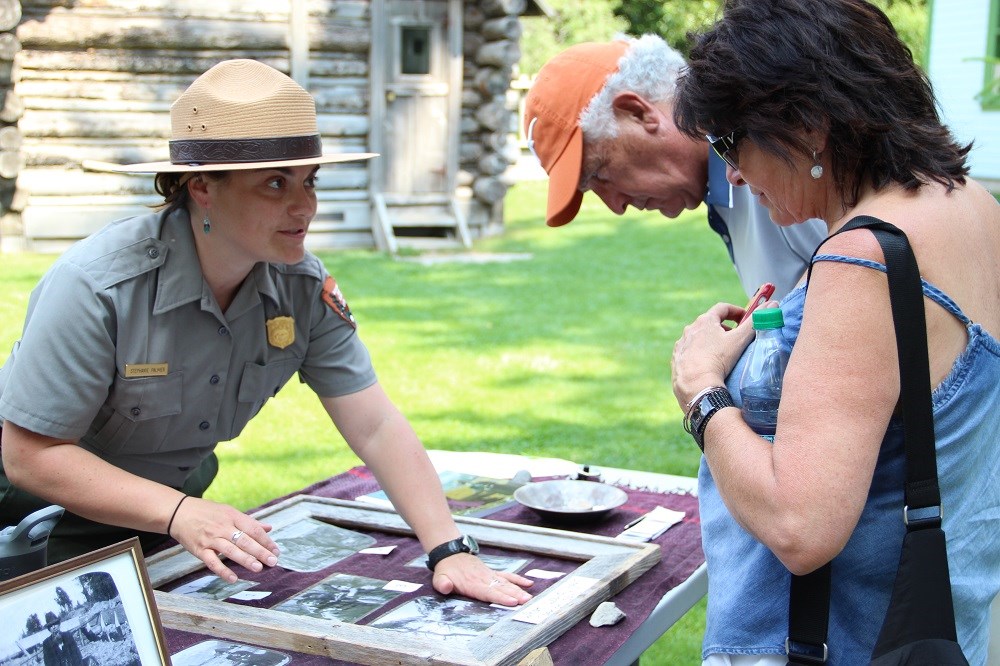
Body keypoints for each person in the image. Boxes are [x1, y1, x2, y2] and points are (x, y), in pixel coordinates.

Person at [0, 59, 531, 607]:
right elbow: (30, 456)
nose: (304, 207)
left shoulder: (302, 289)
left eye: (309, 181)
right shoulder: (97, 286)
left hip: (154, 520)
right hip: (24, 523)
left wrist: (449, 549)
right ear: (202, 186)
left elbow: (373, 423)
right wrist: (180, 512)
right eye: (275, 184)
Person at [667, 0, 1000, 664]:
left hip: (834, 640)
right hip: (933, 627)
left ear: (808, 127)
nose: (729, 172)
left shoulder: (863, 258)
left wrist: (701, 390)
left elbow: (800, 525)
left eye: (733, 142)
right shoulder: (973, 206)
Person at [522, 35, 828, 299]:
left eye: (599, 173)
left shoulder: (771, 159)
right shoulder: (732, 182)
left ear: (637, 113)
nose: (616, 206)